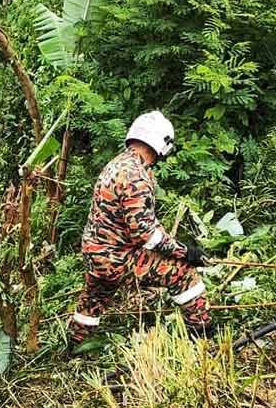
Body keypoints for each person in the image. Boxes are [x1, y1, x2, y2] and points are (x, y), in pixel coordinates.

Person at [69, 110, 212, 353]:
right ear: (162, 143)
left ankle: (74, 348)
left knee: (92, 302)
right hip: (117, 258)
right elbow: (145, 234)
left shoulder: (117, 164)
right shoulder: (136, 176)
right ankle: (204, 337)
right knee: (183, 274)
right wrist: (186, 253)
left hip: (96, 254)